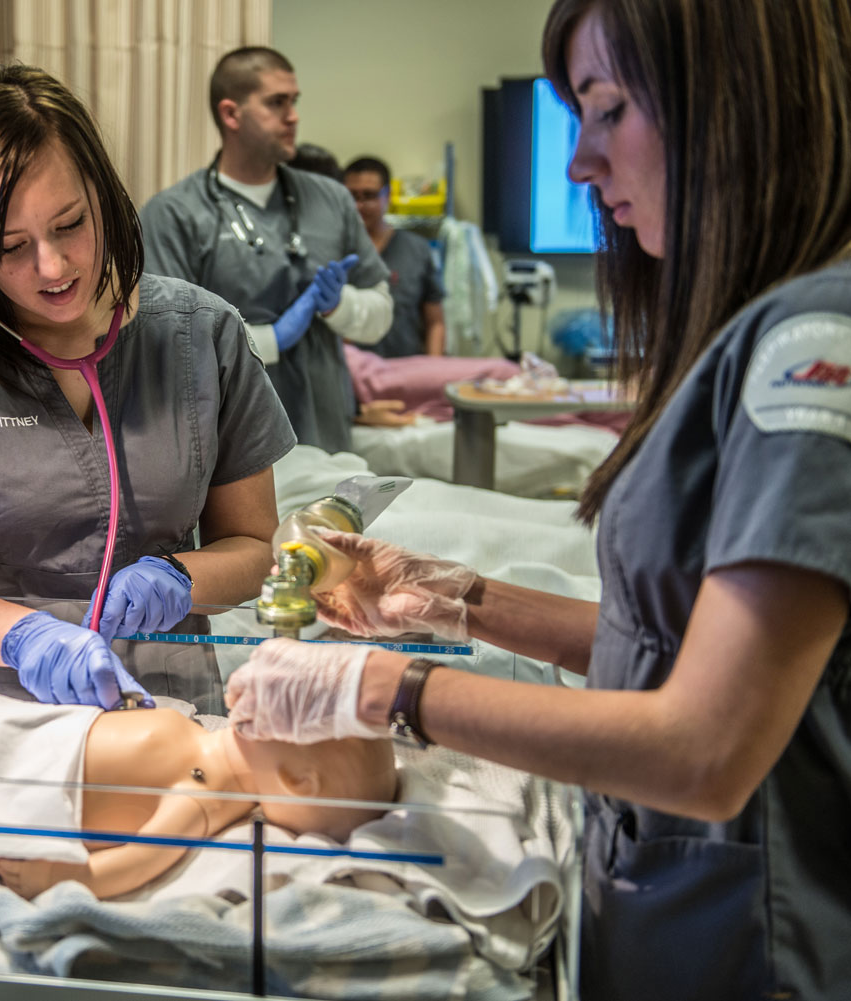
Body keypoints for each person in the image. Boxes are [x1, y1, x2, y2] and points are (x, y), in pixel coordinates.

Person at [225, 1, 851, 998]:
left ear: (724, 105)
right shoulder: (752, 333)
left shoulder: (811, 347)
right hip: (669, 904)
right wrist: (459, 598)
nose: (579, 166)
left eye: (605, 112)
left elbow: (707, 746)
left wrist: (390, 692)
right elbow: (672, 643)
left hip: (750, 938)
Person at [0, 66, 297, 715]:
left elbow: (254, 546)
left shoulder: (204, 336)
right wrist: (23, 637)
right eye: (9, 246)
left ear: (103, 195)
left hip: (164, 706)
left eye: (70, 224)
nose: (50, 268)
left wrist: (182, 578)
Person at [0, 672, 395, 900]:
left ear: (295, 780)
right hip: (31, 733)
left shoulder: (207, 791)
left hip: (39, 787)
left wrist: (69, 879)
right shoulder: (206, 736)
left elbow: (140, 860)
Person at [141, 47, 395, 455]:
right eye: (277, 103)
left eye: (294, 101)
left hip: (325, 432)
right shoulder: (174, 214)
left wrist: (339, 307)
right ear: (231, 114)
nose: (293, 115)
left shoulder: (331, 200)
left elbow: (381, 312)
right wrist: (272, 340)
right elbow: (167, 347)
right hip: (229, 445)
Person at [343, 156, 446, 358]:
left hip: (407, 372)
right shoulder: (335, 250)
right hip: (353, 375)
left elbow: (435, 322)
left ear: (387, 195)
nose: (359, 205)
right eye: (352, 196)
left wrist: (433, 369)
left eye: (369, 195)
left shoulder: (416, 250)